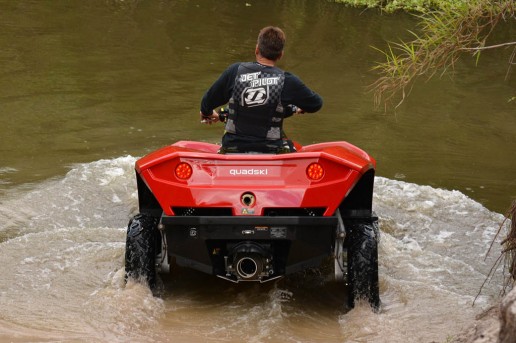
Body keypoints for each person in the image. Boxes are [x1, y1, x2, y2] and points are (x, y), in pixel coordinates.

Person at [199, 26, 323, 153]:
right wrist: (299, 107)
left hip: (233, 148)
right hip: (271, 150)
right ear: (280, 55)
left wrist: (208, 113)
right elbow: (316, 104)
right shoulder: (287, 81)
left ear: (256, 49)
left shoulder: (235, 72)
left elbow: (206, 103)